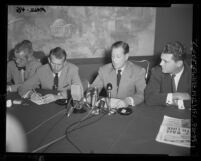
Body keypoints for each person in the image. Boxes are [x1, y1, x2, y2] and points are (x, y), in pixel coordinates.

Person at [91, 41, 146, 109]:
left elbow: (142, 94)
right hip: (108, 109)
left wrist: (127, 101)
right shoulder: (104, 70)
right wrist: (90, 95)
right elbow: (94, 88)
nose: (114, 60)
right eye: (112, 56)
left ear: (126, 56)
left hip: (128, 110)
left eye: (118, 57)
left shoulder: (138, 71)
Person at [18, 47, 83, 101]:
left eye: (59, 64)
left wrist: (58, 96)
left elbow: (79, 92)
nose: (56, 68)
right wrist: (30, 95)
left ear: (64, 63)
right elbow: (22, 88)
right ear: (49, 60)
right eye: (53, 63)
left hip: (65, 104)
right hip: (47, 107)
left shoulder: (72, 69)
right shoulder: (41, 70)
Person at [144, 41, 191, 109]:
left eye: (165, 61)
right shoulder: (157, 71)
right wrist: (175, 96)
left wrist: (169, 101)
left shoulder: (190, 74)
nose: (161, 64)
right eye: (161, 59)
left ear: (179, 64)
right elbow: (149, 98)